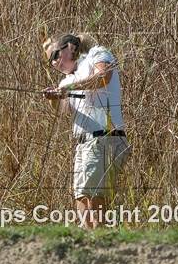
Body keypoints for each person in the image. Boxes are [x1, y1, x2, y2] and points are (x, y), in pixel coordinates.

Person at [43, 33, 130, 229]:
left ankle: (100, 243)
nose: (55, 63)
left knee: (96, 197)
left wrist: (72, 87)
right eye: (50, 62)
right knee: (81, 194)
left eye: (56, 55)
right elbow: (62, 110)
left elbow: (103, 77)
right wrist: (54, 99)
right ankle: (88, 241)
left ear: (68, 47)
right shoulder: (66, 81)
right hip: (83, 143)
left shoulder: (96, 54)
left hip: (105, 137)